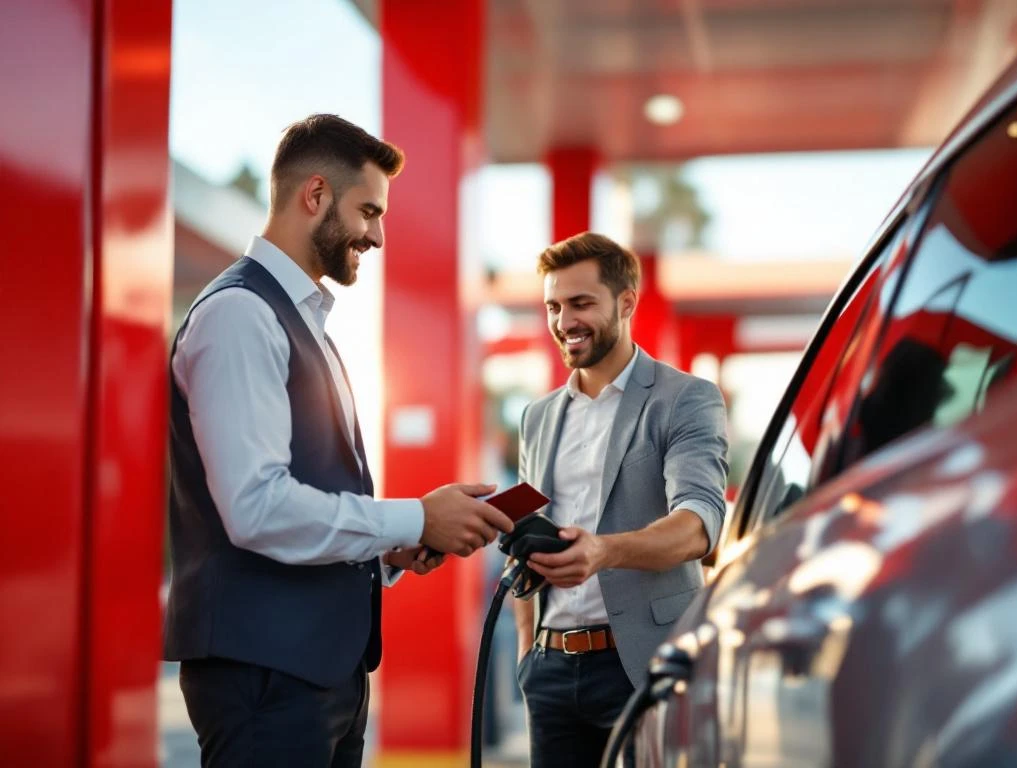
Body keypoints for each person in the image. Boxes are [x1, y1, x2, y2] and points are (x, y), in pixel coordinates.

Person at [164, 114, 513, 767]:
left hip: (318, 675)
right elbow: (257, 508)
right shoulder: (239, 315)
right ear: (316, 195)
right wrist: (416, 516)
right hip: (265, 678)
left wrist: (391, 547)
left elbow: (306, 493)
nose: (377, 235)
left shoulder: (304, 323)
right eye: (369, 211)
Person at [513, 232, 728, 766]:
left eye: (581, 303)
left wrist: (603, 551)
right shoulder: (537, 417)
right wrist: (526, 653)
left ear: (626, 302)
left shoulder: (685, 399)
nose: (565, 321)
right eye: (554, 307)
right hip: (551, 669)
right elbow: (523, 534)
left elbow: (699, 523)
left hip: (642, 667)